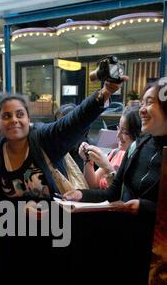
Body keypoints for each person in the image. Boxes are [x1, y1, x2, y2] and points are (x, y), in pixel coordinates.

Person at [0, 79, 126, 205]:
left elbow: (73, 121)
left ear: (28, 119)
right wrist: (22, 211)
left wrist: (105, 92)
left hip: (58, 226)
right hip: (18, 228)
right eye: (6, 116)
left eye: (20, 114)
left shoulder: (42, 138)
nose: (14, 120)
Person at [64, 79, 166, 216]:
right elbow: (113, 193)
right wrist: (81, 194)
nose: (142, 110)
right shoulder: (138, 146)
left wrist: (144, 207)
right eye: (142, 103)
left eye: (149, 103)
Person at [79, 107, 141, 189]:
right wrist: (87, 160)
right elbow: (93, 183)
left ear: (137, 134)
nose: (118, 135)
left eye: (125, 132)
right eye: (118, 128)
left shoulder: (138, 161)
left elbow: (120, 193)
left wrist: (107, 166)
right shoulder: (115, 153)